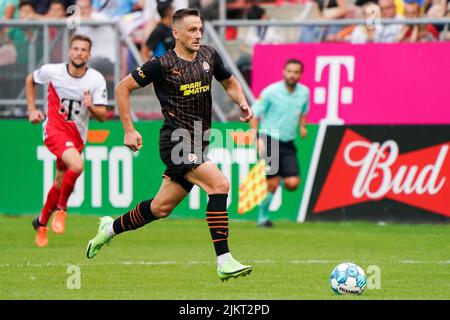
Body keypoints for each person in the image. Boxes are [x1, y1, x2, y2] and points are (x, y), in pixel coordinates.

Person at [86, 8, 254, 282]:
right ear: (175, 32)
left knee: (160, 208)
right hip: (175, 141)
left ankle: (109, 229)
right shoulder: (161, 64)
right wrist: (128, 129)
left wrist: (242, 102)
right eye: (191, 29)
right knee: (219, 184)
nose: (198, 34)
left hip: (199, 142)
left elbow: (229, 81)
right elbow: (122, 88)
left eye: (200, 29)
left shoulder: (209, 55)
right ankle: (224, 260)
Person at [26, 35, 108, 247]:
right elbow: (30, 80)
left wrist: (91, 106)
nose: (79, 52)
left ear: (89, 55)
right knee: (77, 165)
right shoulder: (53, 72)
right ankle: (62, 209)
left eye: (83, 50)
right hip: (53, 130)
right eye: (75, 48)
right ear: (69, 52)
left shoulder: (96, 79)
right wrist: (32, 109)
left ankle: (41, 223)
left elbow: (102, 116)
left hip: (77, 135)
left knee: (61, 179)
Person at [249, 59, 309, 228]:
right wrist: (257, 137)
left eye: (296, 72)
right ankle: (263, 218)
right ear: (284, 72)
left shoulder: (304, 92)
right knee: (273, 183)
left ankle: (274, 180)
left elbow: (303, 111)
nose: (292, 75)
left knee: (292, 183)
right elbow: (253, 113)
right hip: (269, 140)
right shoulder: (271, 91)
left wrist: (302, 127)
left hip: (288, 142)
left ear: (300, 75)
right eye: (289, 71)